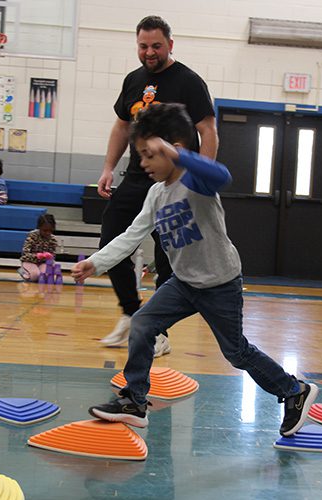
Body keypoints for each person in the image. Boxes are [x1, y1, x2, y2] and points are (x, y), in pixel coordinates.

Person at [72, 103, 317, 437]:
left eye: (149, 155)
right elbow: (132, 235)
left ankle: (294, 391)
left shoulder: (197, 181)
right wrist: (95, 262)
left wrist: (178, 154)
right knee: (142, 322)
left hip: (220, 285)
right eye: (141, 156)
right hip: (183, 284)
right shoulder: (156, 194)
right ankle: (134, 400)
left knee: (236, 352)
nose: (143, 164)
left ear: (175, 150)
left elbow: (222, 175)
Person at [95, 15, 218, 357]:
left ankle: (158, 330)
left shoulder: (189, 82)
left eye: (156, 46)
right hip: (137, 177)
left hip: (175, 180)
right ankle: (132, 313)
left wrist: (200, 176)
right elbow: (121, 127)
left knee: (168, 257)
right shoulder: (133, 80)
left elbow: (207, 130)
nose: (149, 52)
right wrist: (108, 168)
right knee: (111, 241)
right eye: (143, 46)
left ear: (170, 45)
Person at [18, 214, 60, 282]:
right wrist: (37, 256)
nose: (48, 233)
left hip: (43, 262)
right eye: (45, 230)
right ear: (39, 227)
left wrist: (49, 256)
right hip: (30, 261)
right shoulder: (32, 236)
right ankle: (23, 271)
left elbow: (53, 255)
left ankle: (37, 272)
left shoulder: (53, 239)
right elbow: (25, 254)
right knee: (35, 276)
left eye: (50, 230)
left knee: (45, 276)